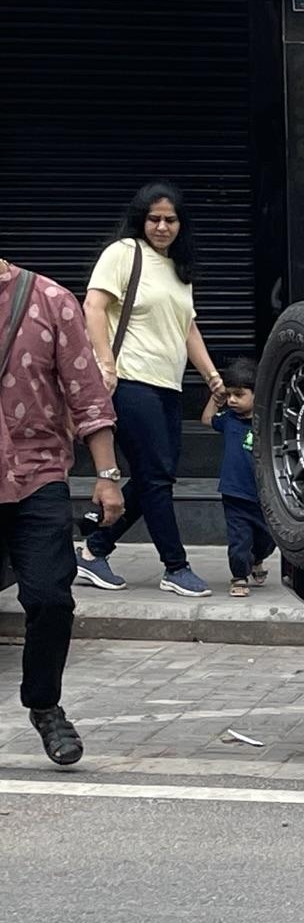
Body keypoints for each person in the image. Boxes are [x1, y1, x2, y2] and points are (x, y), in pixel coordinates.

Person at [74, 183, 227, 598]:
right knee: (156, 478)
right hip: (130, 381)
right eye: (154, 218)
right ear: (141, 219)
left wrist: (213, 378)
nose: (162, 226)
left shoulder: (177, 268)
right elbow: (93, 305)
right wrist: (105, 363)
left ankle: (93, 549)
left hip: (168, 386)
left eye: (171, 219)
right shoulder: (125, 253)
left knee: (153, 477)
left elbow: (188, 328)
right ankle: (175, 566)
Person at [0, 255, 122, 765]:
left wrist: (107, 476)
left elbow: (86, 393)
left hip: (38, 474)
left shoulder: (49, 300)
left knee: (51, 598)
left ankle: (44, 704)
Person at [201, 357, 273, 598]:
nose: (232, 400)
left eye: (238, 394)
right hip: (235, 493)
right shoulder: (229, 419)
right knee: (239, 540)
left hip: (264, 495)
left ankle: (257, 559)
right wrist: (216, 397)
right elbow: (206, 419)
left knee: (268, 539)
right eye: (229, 394)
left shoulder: (270, 423)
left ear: (257, 394)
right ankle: (239, 576)